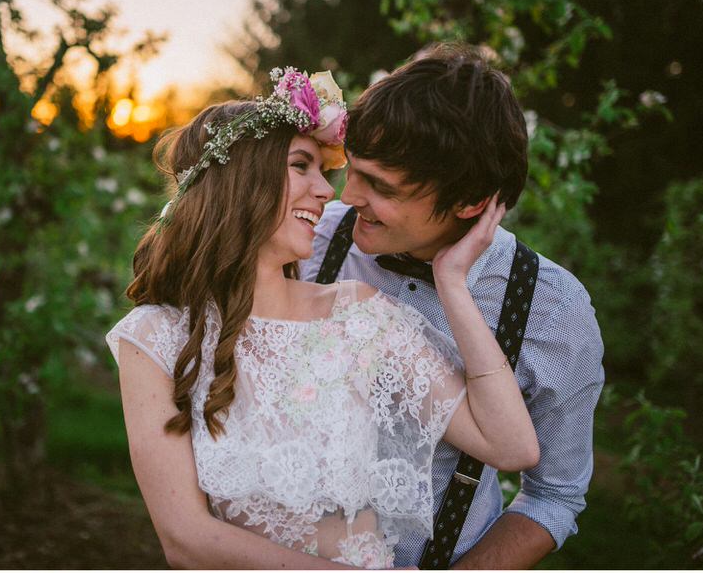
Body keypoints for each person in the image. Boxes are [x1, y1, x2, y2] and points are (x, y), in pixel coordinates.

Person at [106, 67, 539, 568]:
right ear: (239, 179)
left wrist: (453, 283)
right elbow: (183, 538)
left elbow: (511, 447)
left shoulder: (357, 317)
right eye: (301, 166)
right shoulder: (156, 338)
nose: (327, 191)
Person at [299, 44, 605, 569]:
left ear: (469, 202)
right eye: (354, 169)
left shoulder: (551, 308)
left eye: (380, 185)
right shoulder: (312, 241)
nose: (347, 196)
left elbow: (555, 494)